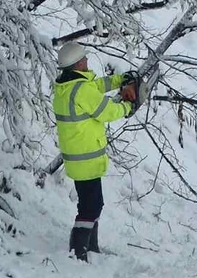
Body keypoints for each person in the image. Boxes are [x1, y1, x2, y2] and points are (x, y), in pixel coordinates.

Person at [52, 41, 143, 261]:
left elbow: (98, 85)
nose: (87, 61)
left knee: (90, 204)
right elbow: (107, 111)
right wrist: (128, 107)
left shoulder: (68, 86)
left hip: (79, 158)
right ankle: (78, 250)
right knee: (92, 207)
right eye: (84, 59)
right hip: (86, 158)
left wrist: (120, 80)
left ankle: (90, 248)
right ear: (76, 64)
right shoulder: (80, 90)